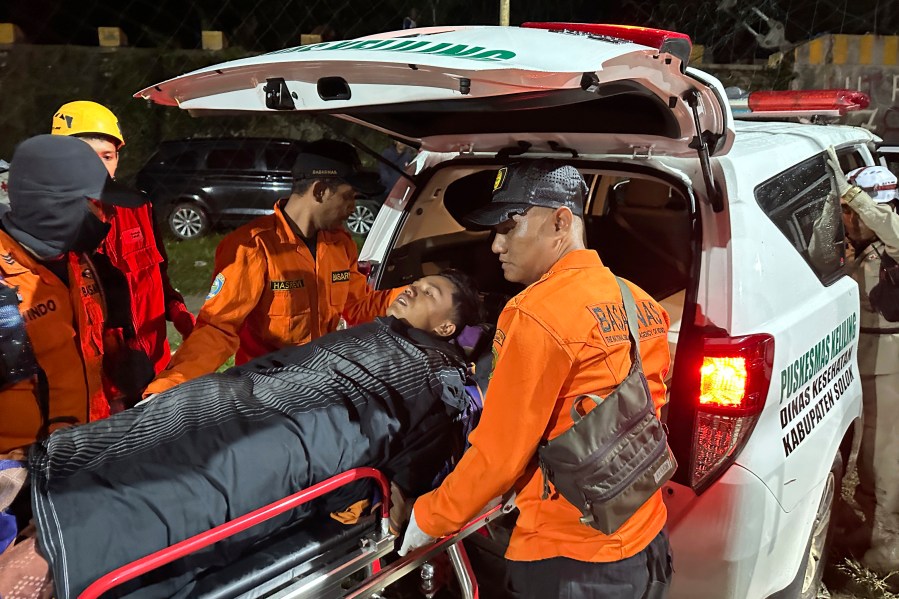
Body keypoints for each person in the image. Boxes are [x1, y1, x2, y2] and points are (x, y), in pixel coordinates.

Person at [29, 270, 484, 599]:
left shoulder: (438, 381)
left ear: (447, 328)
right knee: (185, 412)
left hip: (290, 434)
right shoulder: (377, 330)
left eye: (431, 292)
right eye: (418, 283)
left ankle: (65, 543)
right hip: (250, 394)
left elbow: (414, 471)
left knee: (198, 471)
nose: (413, 288)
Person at [399, 160, 674, 598]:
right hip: (645, 539)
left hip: (569, 559)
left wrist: (430, 517)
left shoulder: (535, 313)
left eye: (510, 227)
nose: (496, 245)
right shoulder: (639, 301)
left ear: (560, 222)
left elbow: (500, 454)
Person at [144, 140, 395, 396]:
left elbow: (358, 306)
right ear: (319, 191)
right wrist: (169, 386)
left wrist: (425, 293)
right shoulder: (252, 247)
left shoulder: (340, 245)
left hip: (321, 383)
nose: (352, 208)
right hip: (267, 393)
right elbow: (219, 329)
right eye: (348, 196)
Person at [0, 134, 145, 453]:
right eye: (93, 204)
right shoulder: (4, 280)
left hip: (84, 455)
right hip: (19, 479)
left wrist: (122, 375)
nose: (105, 217)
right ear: (51, 205)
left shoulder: (82, 262)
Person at [51, 101, 195, 407]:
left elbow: (159, 275)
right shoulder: (45, 223)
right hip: (94, 388)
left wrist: (182, 317)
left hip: (153, 371)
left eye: (108, 156)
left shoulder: (138, 206)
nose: (99, 167)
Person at [825, 148, 899, 574]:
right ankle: (869, 527)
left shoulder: (892, 236)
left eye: (849, 211)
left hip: (890, 363)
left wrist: (852, 194)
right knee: (866, 457)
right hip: (861, 360)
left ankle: (889, 545)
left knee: (887, 456)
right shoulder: (859, 249)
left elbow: (890, 227)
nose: (845, 220)